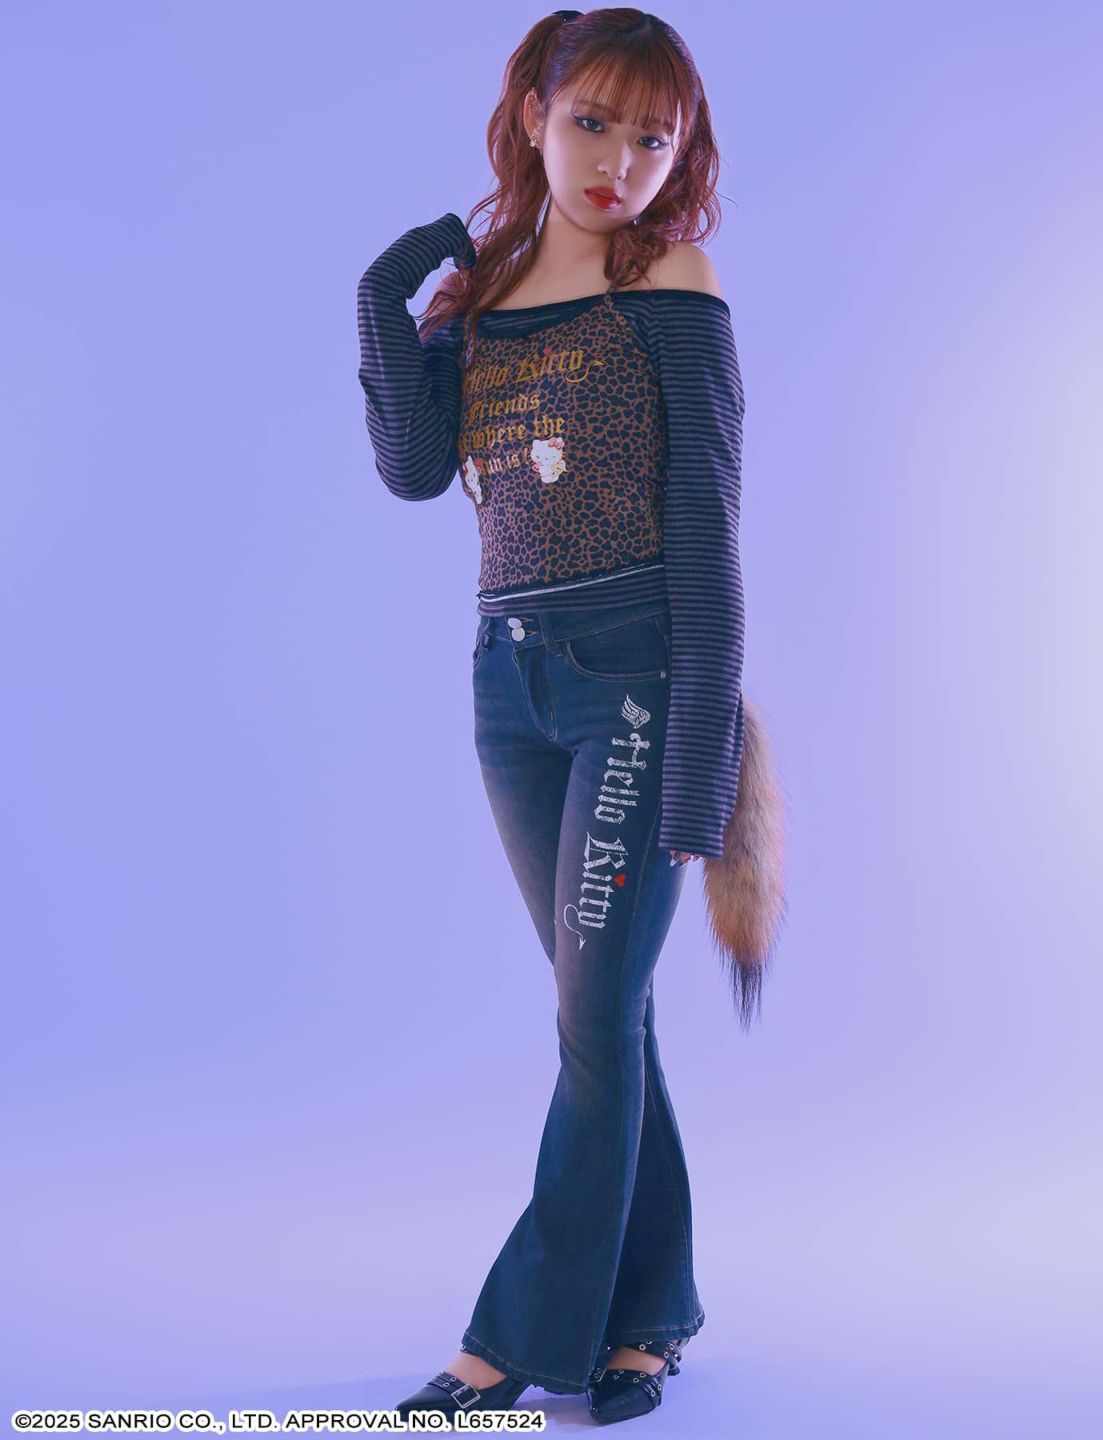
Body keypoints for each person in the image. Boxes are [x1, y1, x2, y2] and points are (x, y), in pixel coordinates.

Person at [356, 7, 755, 1425]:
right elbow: (414, 472)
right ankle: (647, 1318)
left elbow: (708, 536)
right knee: (609, 1012)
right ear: (534, 112)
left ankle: (510, 1339)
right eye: (592, 123)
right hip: (506, 685)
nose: (619, 164)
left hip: (636, 685)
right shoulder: (482, 300)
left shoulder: (672, 284)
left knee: (593, 1022)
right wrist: (384, 300)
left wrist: (701, 765)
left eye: (653, 139)